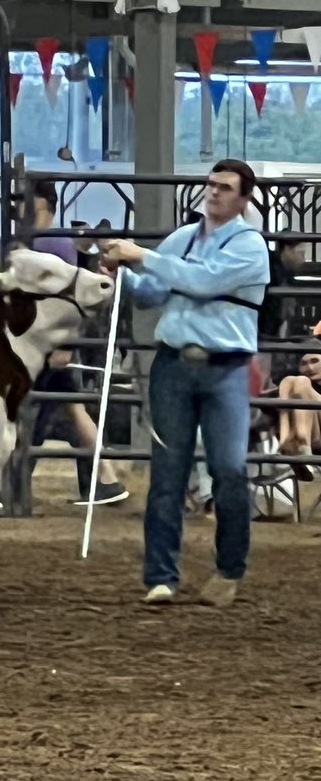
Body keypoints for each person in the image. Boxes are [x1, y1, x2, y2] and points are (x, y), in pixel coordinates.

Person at [102, 158, 270, 608]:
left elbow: (201, 281)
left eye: (224, 188)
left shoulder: (251, 246)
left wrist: (143, 255)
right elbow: (153, 292)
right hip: (173, 365)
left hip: (227, 369)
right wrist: (122, 273)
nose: (213, 193)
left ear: (242, 198)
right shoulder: (183, 237)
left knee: (230, 470)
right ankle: (160, 576)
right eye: (211, 185)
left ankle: (230, 567)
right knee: (168, 473)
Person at [20, 181, 129, 506]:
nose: (18, 207)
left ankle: (10, 484)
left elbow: (64, 296)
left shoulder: (51, 241)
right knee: (71, 407)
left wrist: (64, 340)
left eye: (26, 200)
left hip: (50, 341)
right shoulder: (41, 240)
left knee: (38, 407)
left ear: (43, 203)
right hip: (44, 340)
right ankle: (106, 480)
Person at [275, 343, 321, 480]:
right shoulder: (297, 385)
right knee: (289, 380)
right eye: (304, 363)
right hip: (313, 437)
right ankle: (299, 447)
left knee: (300, 382)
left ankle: (290, 446)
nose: (310, 368)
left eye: (315, 361)